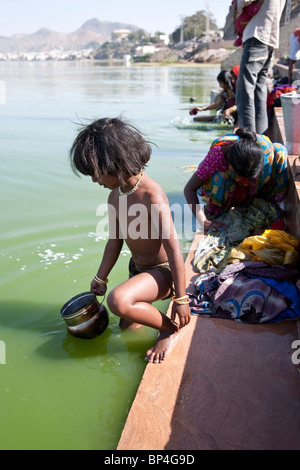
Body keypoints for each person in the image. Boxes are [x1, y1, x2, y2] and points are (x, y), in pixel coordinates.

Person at [69, 117, 191, 364]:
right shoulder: (115, 196)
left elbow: (174, 249)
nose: (95, 180)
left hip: (163, 272)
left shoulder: (151, 195)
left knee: (118, 301)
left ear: (116, 164)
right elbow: (115, 241)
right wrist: (100, 277)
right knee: (127, 325)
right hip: (138, 271)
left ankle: (168, 329)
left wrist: (181, 297)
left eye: (96, 174)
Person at [184, 128, 288, 233]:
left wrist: (248, 202)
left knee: (280, 151)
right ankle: (217, 211)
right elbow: (189, 189)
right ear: (229, 163)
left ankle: (270, 200)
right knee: (221, 178)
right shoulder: (217, 157)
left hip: (257, 182)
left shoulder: (265, 151)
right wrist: (203, 221)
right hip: (230, 185)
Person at [235, 0, 286, 135]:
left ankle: (248, 140)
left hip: (257, 35)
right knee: (259, 91)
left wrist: (236, 9)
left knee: (244, 92)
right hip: (270, 39)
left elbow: (242, 2)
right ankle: (261, 139)